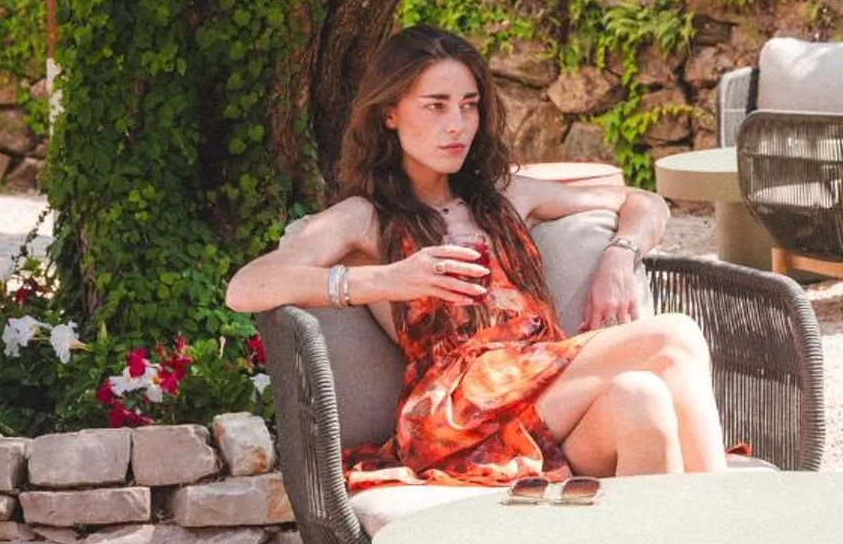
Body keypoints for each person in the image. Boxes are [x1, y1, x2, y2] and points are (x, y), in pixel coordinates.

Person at [225, 25, 727, 488]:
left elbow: (645, 202)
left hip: (537, 401)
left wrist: (620, 256)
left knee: (643, 398)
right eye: (436, 106)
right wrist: (387, 280)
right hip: (457, 414)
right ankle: (734, 533)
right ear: (390, 114)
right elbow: (247, 287)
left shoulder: (507, 195)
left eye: (469, 106)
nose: (456, 125)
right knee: (675, 336)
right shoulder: (364, 216)